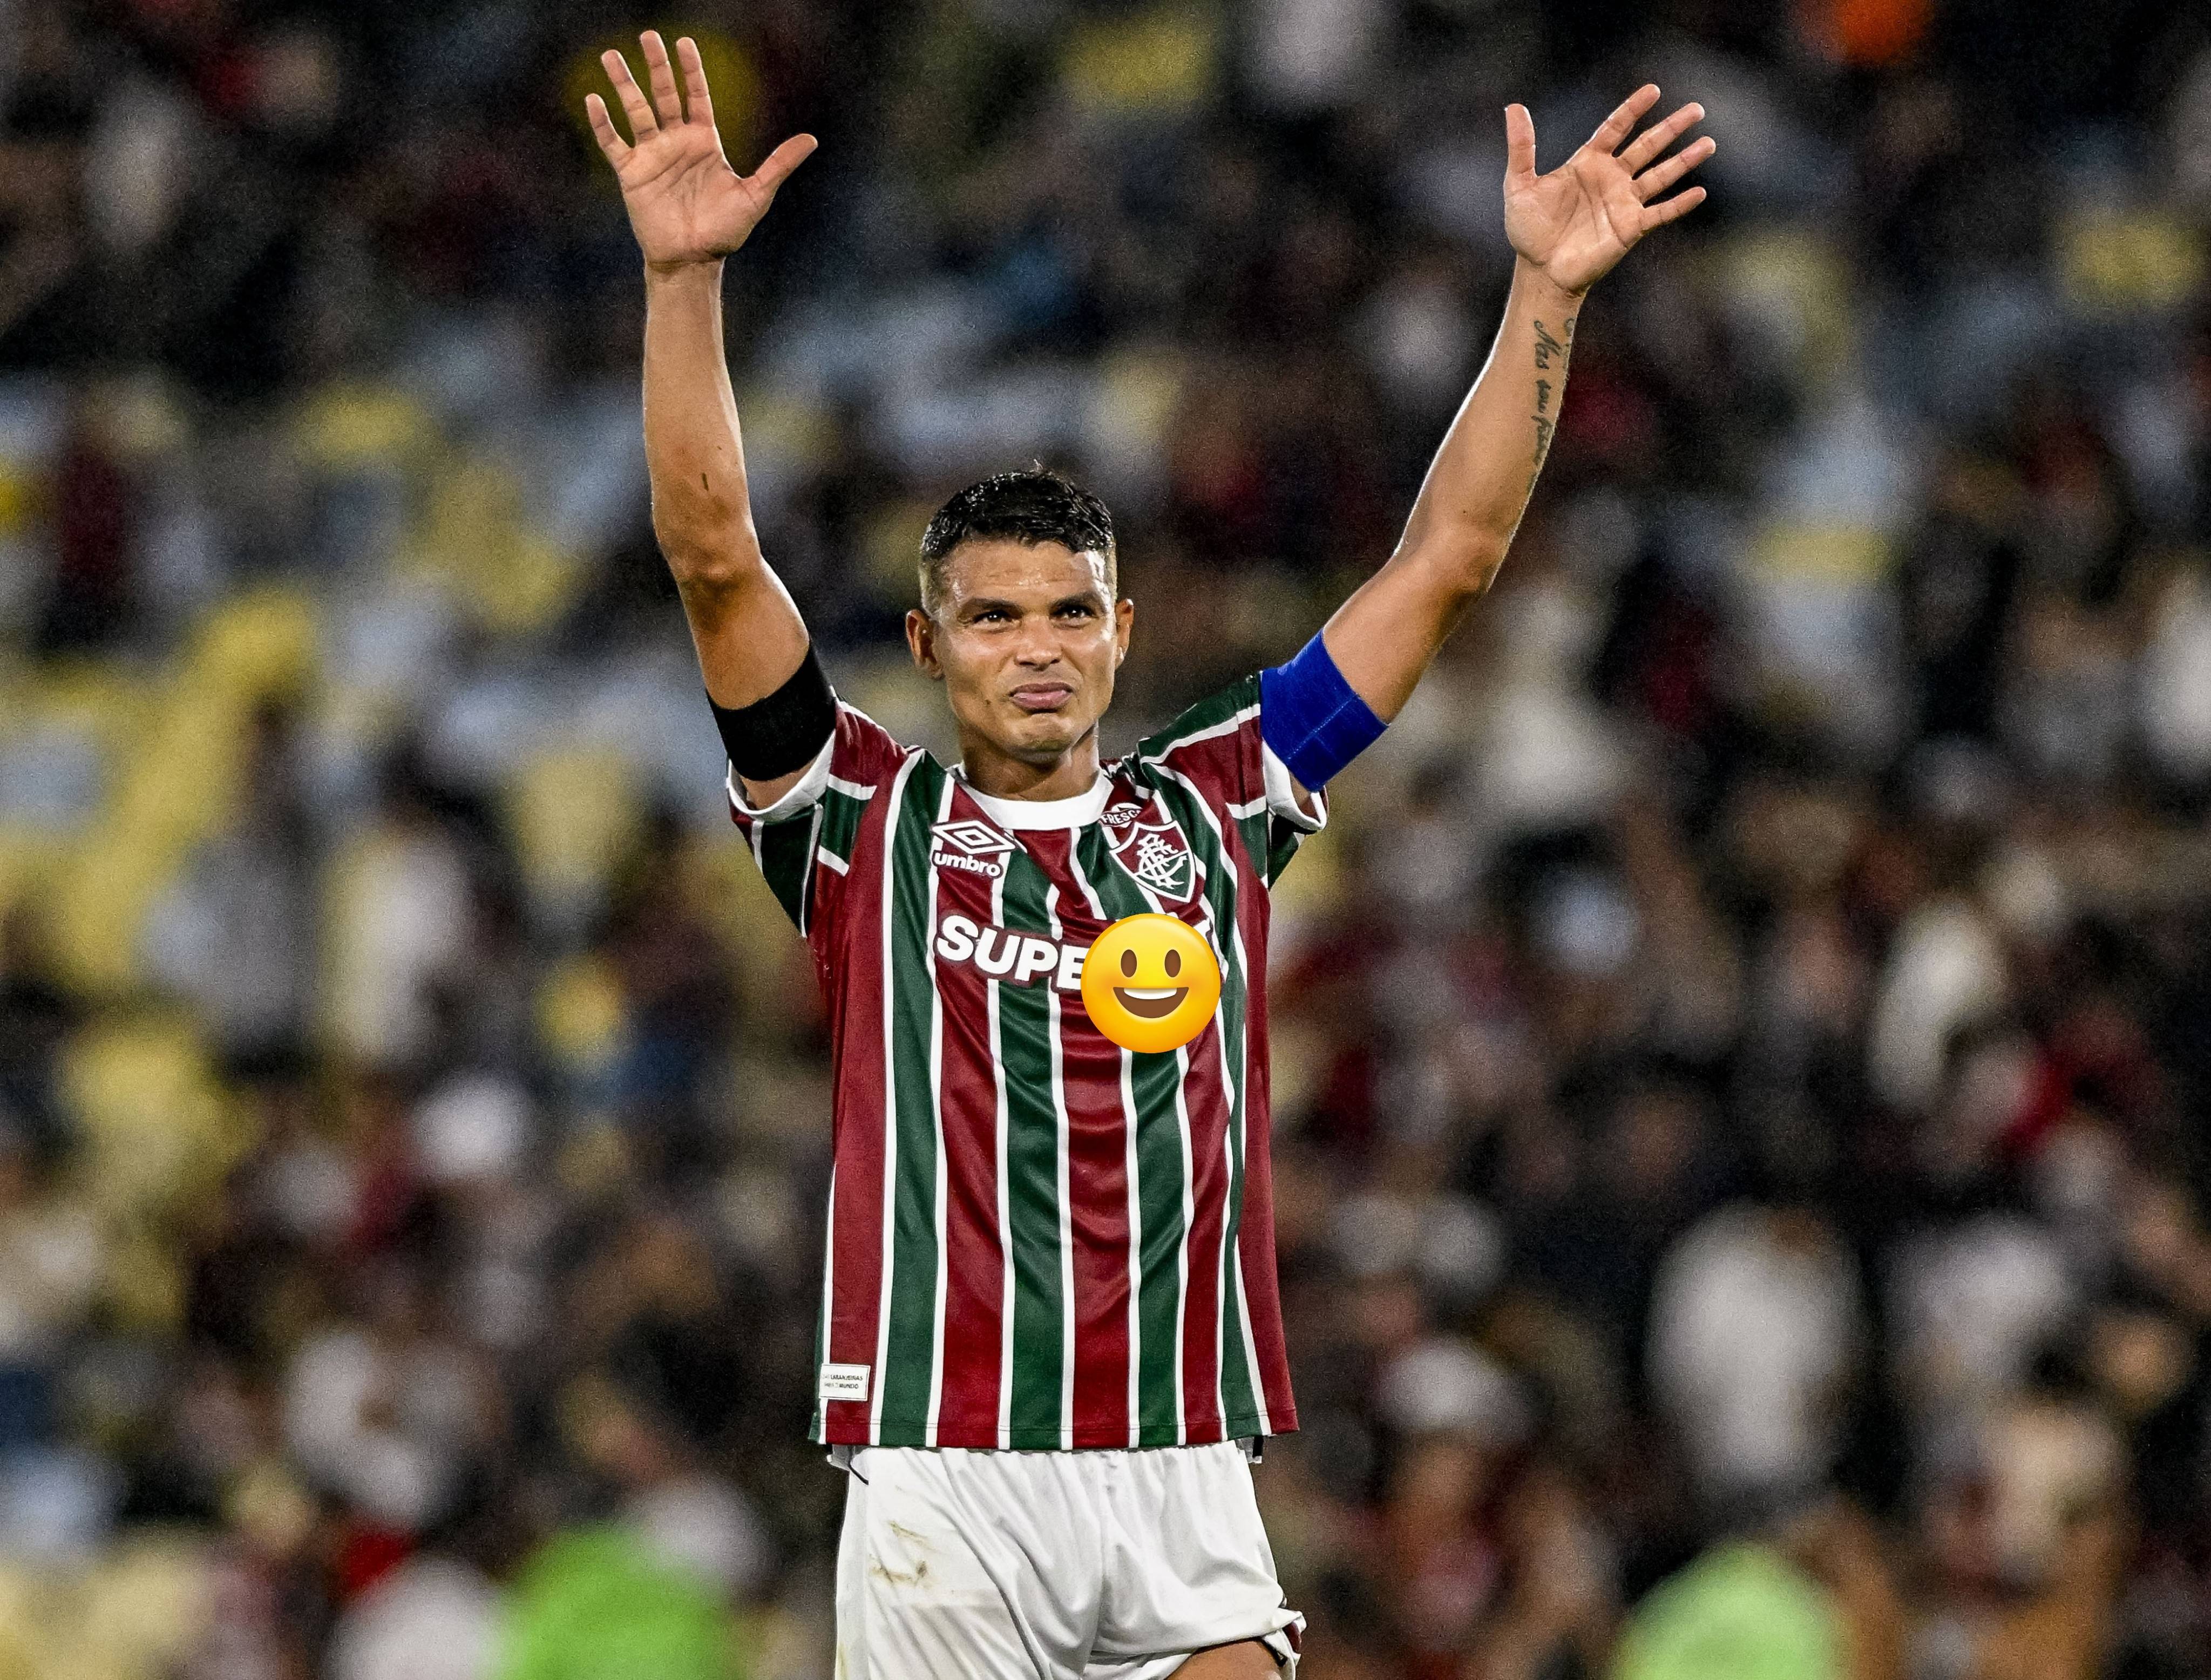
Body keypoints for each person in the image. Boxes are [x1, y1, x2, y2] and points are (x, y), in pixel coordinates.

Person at [586, 31, 1713, 1680]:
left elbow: (1449, 560)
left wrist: (1544, 297)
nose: (1037, 648)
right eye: (993, 618)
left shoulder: (1215, 804)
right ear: (929, 646)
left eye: (1069, 614)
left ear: (1120, 636)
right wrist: (683, 281)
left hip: (1183, 1470)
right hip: (949, 1472)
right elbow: (710, 553)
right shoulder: (858, 823)